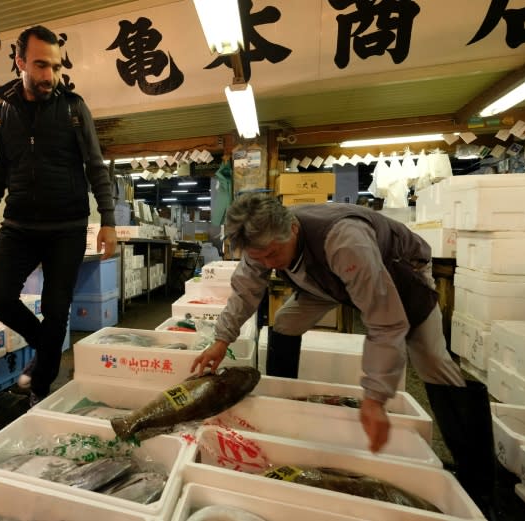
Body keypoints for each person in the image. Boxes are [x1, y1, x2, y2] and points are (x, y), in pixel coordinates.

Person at [191, 193, 498, 520]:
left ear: (293, 229)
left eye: (272, 255)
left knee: (433, 362)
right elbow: (245, 291)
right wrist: (221, 339)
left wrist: (375, 397)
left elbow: (384, 319)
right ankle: (284, 407)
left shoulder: (345, 240)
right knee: (285, 324)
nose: (267, 263)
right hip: (323, 279)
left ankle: (480, 482)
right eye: (258, 257)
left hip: (397, 274)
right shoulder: (261, 240)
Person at [0, 25, 116, 404]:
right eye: (41, 65)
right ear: (20, 62)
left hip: (67, 227)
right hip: (19, 225)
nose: (50, 75)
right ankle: (46, 348)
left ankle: (41, 386)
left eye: (56, 66)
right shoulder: (0, 113)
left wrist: (109, 221)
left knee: (56, 307)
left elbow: (95, 166)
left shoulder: (74, 109)